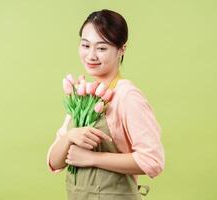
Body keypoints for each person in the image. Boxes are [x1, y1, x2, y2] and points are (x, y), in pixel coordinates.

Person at [47, 9, 165, 200]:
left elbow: (152, 161)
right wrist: (70, 137)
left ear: (122, 50)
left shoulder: (127, 96)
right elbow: (54, 162)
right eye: (85, 45)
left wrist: (93, 158)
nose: (91, 56)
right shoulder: (82, 95)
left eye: (101, 48)